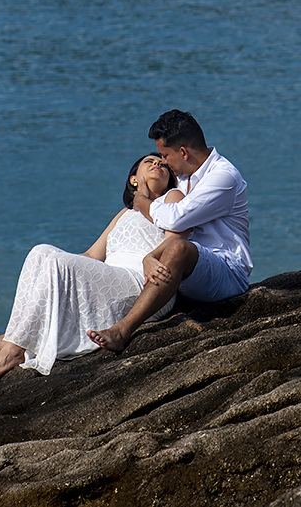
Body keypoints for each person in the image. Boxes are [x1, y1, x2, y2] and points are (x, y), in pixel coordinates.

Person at [0, 153, 184, 378]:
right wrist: (49, 269)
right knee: (42, 252)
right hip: (113, 277)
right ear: (133, 179)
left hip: (143, 282)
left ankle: (11, 348)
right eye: (150, 162)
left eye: (163, 164)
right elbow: (91, 255)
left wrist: (60, 265)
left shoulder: (172, 197)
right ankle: (12, 339)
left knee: (57, 262)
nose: (157, 164)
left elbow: (176, 237)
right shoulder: (125, 214)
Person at [87, 109, 250, 353]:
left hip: (226, 270)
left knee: (178, 248)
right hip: (189, 273)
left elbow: (176, 219)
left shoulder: (223, 177)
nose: (162, 161)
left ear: (183, 152)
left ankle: (122, 330)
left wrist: (142, 203)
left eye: (165, 155)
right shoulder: (183, 177)